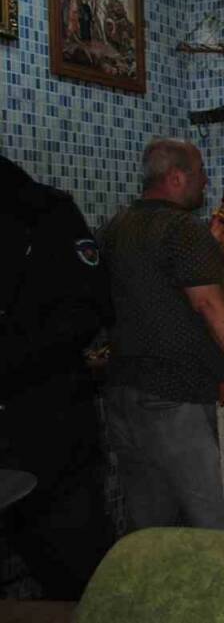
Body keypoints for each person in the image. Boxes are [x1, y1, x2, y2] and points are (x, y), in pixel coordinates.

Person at [99, 138, 224, 532]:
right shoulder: (182, 230)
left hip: (123, 396)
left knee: (153, 531)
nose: (206, 181)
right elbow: (209, 304)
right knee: (221, 523)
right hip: (177, 397)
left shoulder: (114, 227)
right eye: (200, 173)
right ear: (176, 178)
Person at [0, 156, 116, 599]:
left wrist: (13, 361)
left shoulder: (46, 210)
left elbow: (90, 306)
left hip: (50, 427)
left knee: (80, 577)